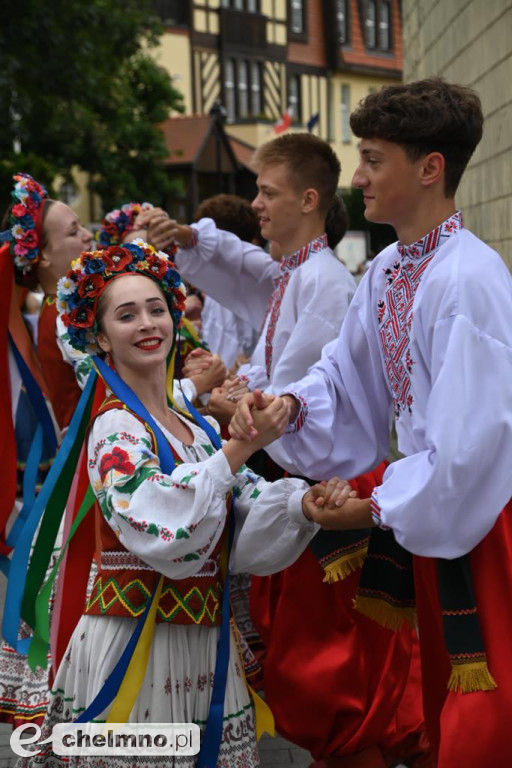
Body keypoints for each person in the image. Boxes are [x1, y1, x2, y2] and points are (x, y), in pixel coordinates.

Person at [231, 78, 512, 768]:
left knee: (488, 709)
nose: (356, 179)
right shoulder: (391, 267)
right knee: (444, 694)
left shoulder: (468, 279)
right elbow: (345, 372)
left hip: (482, 518)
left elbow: (473, 443)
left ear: (430, 167)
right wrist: (290, 406)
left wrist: (374, 506)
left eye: (373, 159)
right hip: (434, 508)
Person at [19, 240, 350, 768]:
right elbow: (161, 524)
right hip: (135, 648)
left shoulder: (193, 427)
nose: (148, 323)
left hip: (201, 644)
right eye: (127, 315)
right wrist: (242, 448)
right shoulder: (115, 427)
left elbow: (237, 517)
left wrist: (303, 506)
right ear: (100, 336)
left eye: (156, 309)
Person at [156, 134, 427, 767]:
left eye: (267, 192)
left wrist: (234, 403)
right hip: (298, 478)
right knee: (311, 656)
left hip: (325, 486)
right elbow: (267, 328)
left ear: (308, 200)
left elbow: (305, 397)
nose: (256, 204)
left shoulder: (326, 281)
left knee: (329, 662)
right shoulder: (296, 273)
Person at [0, 173, 93, 729]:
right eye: (73, 231)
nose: (87, 236)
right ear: (43, 257)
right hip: (76, 480)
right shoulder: (63, 318)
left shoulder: (69, 308)